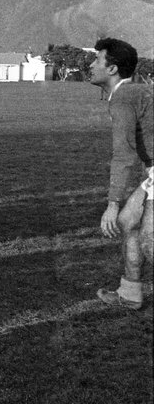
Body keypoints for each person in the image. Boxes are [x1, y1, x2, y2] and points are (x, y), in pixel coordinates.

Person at [89, 38, 153, 310]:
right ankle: (130, 294)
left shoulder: (124, 97)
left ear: (112, 69)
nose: (90, 65)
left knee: (150, 242)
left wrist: (112, 204)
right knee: (128, 223)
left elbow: (124, 155)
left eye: (96, 60)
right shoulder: (134, 93)